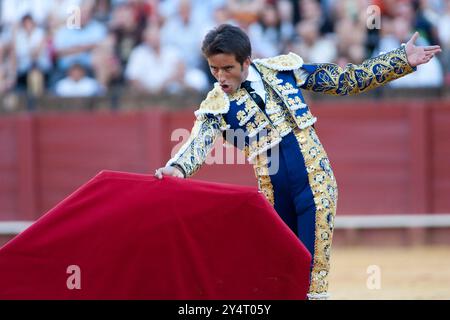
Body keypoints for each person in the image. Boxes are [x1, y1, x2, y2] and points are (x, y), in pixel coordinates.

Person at [154, 24, 441, 299]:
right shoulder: (216, 105)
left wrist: (401, 59)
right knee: (279, 273)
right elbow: (198, 141)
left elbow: (345, 80)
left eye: (228, 68)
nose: (221, 77)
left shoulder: (284, 70)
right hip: (273, 196)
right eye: (214, 69)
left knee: (313, 274)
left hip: (315, 184)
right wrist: (177, 168)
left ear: (246, 62)